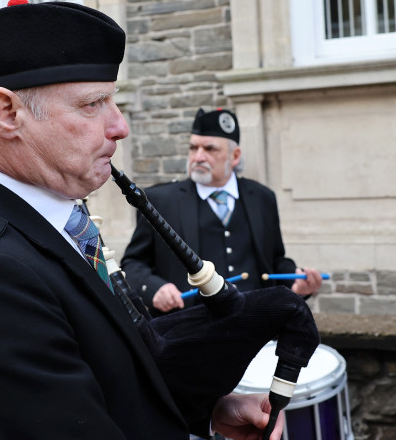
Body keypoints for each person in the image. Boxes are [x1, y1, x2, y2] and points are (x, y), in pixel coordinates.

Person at [0, 0, 283, 440]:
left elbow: (104, 370)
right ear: (6, 113)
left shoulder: (50, 220)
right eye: (93, 104)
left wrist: (204, 406)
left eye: (112, 100)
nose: (119, 125)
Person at [121, 108, 323, 315]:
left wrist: (296, 283)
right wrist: (155, 289)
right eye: (193, 148)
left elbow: (275, 260)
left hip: (256, 323)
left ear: (234, 156)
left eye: (210, 149)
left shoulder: (262, 198)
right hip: (188, 328)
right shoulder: (160, 201)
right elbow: (134, 263)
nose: (198, 157)